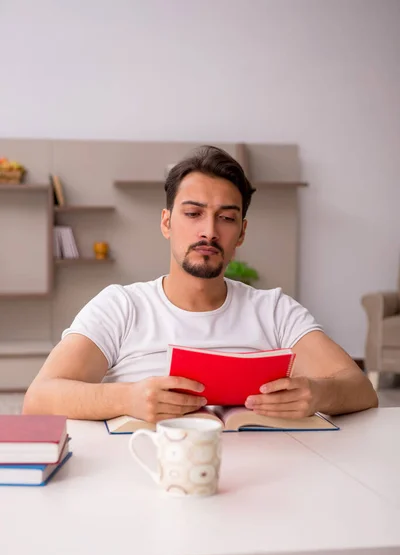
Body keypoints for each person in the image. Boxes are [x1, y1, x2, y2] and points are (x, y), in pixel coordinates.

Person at [23, 145, 377, 421]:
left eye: (225, 218)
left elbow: (360, 389)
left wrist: (317, 394)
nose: (209, 231)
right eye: (193, 214)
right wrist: (126, 398)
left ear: (241, 233)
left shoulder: (273, 310)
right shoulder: (121, 306)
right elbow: (39, 398)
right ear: (166, 222)